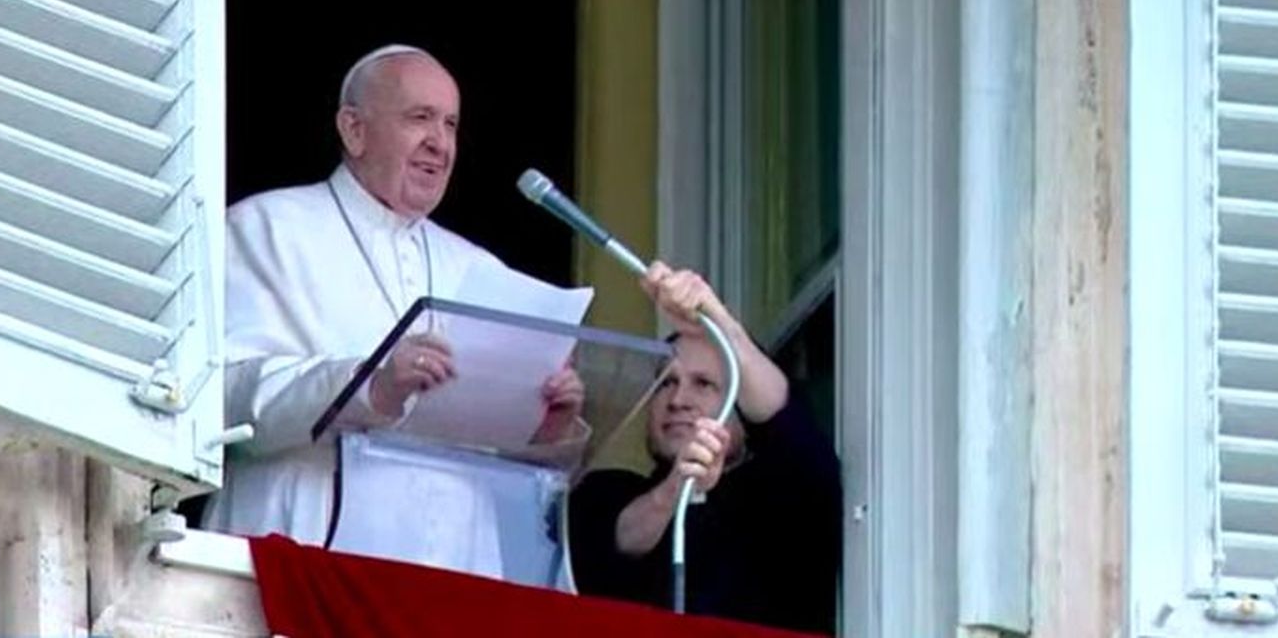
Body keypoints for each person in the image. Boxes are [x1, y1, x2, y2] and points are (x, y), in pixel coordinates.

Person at [203, 45, 587, 573]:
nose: (440, 142)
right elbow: (223, 397)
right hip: (305, 544)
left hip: (453, 566)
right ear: (354, 129)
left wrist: (546, 425)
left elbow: (517, 470)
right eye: (419, 118)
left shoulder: (480, 269)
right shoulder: (264, 228)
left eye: (451, 124)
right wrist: (372, 385)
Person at [570, 262, 841, 635]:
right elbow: (609, 548)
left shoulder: (780, 500)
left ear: (744, 408)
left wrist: (722, 325)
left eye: (704, 384)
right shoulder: (607, 492)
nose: (679, 399)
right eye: (666, 383)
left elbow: (790, 432)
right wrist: (676, 489)